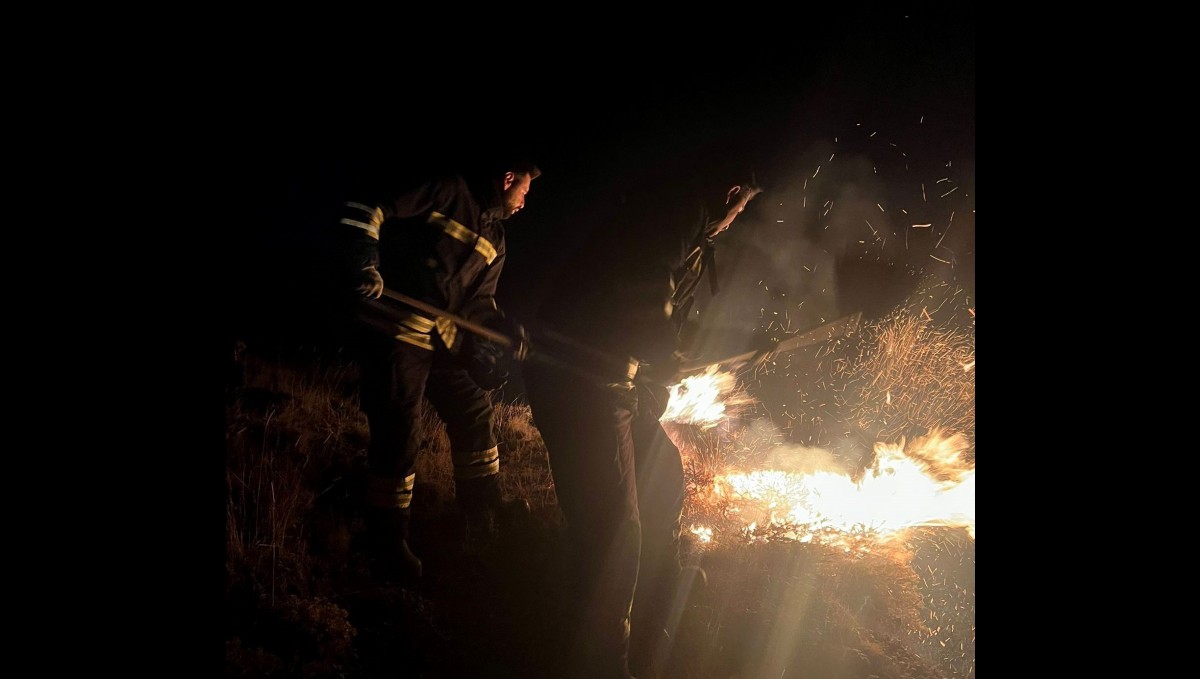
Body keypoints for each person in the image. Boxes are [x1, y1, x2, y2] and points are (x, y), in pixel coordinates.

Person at [524, 177, 761, 678]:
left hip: (614, 380)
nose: (736, 218)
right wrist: (661, 349)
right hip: (577, 376)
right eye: (741, 206)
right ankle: (600, 658)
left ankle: (657, 589)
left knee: (664, 480)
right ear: (731, 190)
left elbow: (663, 324)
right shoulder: (676, 209)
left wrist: (663, 365)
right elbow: (643, 288)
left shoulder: (694, 238)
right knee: (613, 528)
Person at [335, 153, 541, 581]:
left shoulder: (496, 238)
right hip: (396, 330)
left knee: (474, 412)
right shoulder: (447, 190)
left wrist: (504, 330)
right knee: (400, 430)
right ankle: (387, 537)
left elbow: (478, 304)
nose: (526, 201)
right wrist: (363, 262)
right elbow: (370, 205)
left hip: (442, 340)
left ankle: (481, 508)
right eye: (525, 189)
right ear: (508, 179)